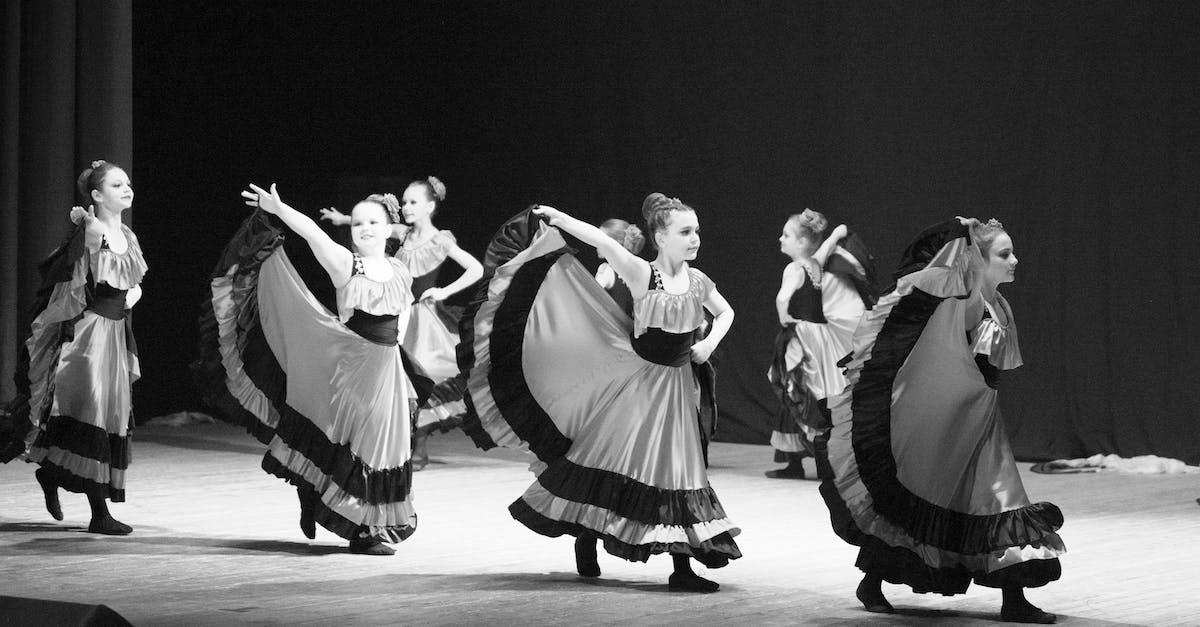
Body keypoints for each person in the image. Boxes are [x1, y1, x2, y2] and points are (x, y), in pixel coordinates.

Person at [457, 194, 741, 593]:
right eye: (685, 232)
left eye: (696, 231)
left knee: (680, 469)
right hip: (638, 386)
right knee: (607, 458)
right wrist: (560, 217)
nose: (695, 238)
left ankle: (682, 567)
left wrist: (708, 343)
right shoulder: (644, 274)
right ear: (660, 237)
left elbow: (726, 312)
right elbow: (602, 242)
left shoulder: (697, 281)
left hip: (677, 388)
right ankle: (586, 535)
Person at [820, 217, 1064, 623]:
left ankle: (1013, 599)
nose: (1015, 260)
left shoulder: (996, 304)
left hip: (981, 423)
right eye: (1004, 254)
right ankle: (874, 580)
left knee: (997, 500)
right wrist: (955, 227)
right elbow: (920, 280)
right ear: (977, 260)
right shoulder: (962, 302)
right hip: (952, 422)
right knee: (937, 498)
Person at [195, 184, 420, 555]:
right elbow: (313, 233)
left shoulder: (398, 268)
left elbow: (405, 306)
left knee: (383, 446)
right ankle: (354, 527)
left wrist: (400, 341)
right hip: (353, 366)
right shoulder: (347, 263)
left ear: (387, 228)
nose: (364, 228)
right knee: (354, 442)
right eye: (358, 222)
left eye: (373, 222)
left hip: (388, 369)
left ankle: (343, 512)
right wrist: (280, 209)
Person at [0, 161, 145, 535]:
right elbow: (74, 284)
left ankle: (51, 475)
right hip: (91, 335)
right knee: (93, 413)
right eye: (116, 184)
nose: (126, 188)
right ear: (97, 195)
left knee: (110, 414)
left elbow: (130, 278)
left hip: (115, 333)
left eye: (127, 183)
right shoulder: (92, 229)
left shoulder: (127, 233)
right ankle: (99, 513)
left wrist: (133, 294)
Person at [320, 177, 482, 470]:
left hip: (423, 320)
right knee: (397, 380)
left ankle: (417, 446)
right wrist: (342, 218)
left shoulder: (440, 240)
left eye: (412, 202)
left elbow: (476, 268)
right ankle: (390, 444)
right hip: (396, 314)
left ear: (430, 207)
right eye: (404, 202)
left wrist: (444, 291)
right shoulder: (403, 233)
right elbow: (372, 223)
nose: (405, 207)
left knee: (423, 378)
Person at [766, 210, 876, 479]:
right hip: (819, 338)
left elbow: (783, 298)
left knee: (794, 391)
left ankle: (802, 460)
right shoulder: (816, 263)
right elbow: (825, 247)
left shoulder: (793, 268)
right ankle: (821, 459)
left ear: (802, 242)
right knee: (815, 393)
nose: (781, 239)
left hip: (800, 338)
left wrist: (783, 316)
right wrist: (838, 232)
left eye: (787, 235)